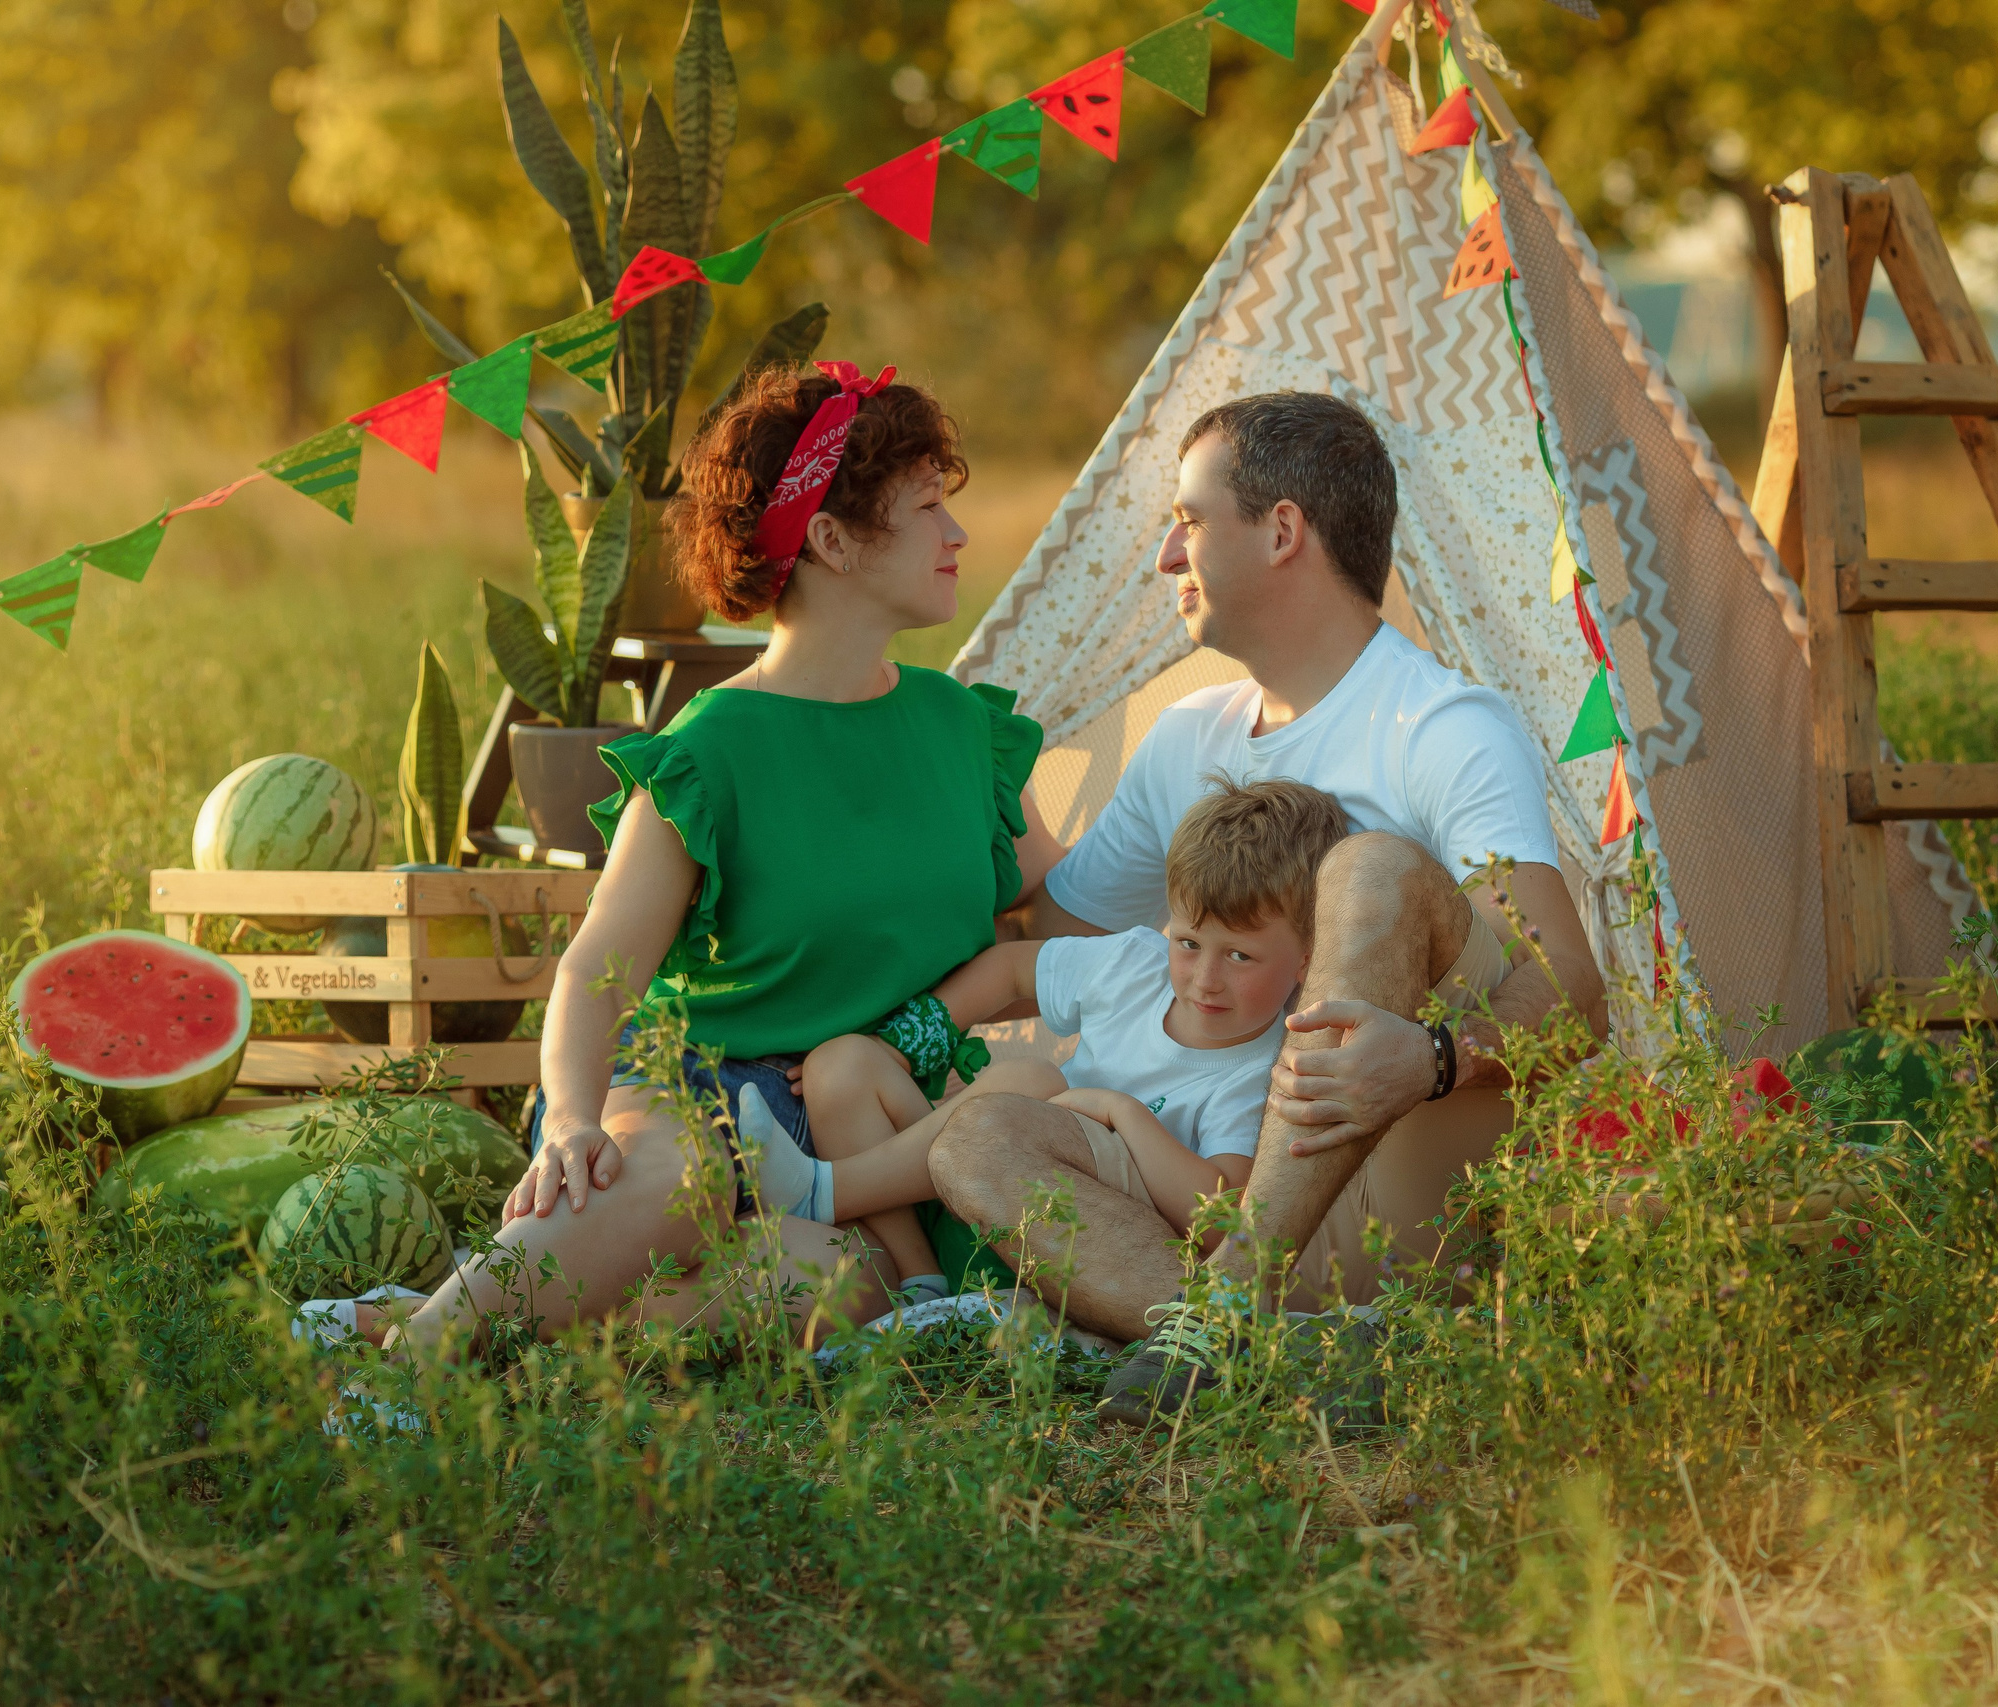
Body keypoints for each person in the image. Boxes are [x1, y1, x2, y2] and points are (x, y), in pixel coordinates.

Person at [336, 361, 1062, 1357]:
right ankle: (419, 1360)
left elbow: (1055, 911)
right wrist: (570, 1125)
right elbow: (597, 969)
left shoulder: (961, 728)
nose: (958, 534)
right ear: (832, 539)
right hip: (702, 1092)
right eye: (931, 507)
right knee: (683, 1180)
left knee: (829, 1291)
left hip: (871, 1126)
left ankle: (453, 1321)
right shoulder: (712, 749)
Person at [923, 391, 1608, 1422]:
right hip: (1208, 1195)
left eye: (1190, 520)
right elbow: (1053, 938)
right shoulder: (1192, 736)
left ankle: (1233, 1311)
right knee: (974, 1144)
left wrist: (1430, 1057)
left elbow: (1573, 996)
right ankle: (1284, 1355)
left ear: (1282, 530)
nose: (1167, 555)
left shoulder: (1445, 727)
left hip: (1394, 1200)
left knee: (1367, 866)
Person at [767, 777, 1349, 1250]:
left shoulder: (1261, 1073)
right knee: (843, 1063)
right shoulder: (1134, 965)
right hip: (973, 1176)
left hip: (1064, 1232)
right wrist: (904, 1044)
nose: (1205, 979)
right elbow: (1010, 970)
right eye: (1188, 943)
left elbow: (1221, 1217)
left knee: (1031, 1079)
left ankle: (822, 1193)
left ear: (1306, 957)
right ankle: (914, 1274)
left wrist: (1120, 1112)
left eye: (1241, 955)